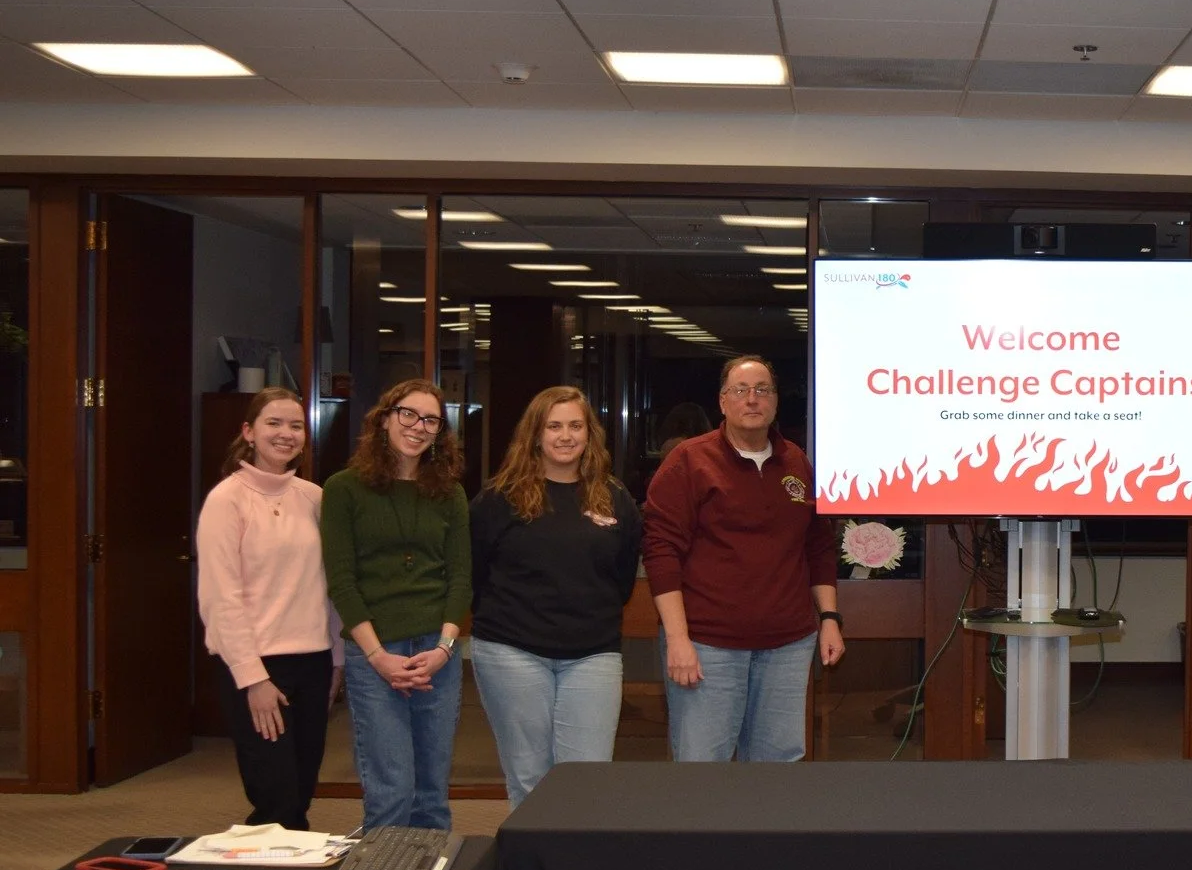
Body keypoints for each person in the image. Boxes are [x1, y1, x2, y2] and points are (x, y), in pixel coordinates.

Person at [642, 355, 843, 762]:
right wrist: (677, 640)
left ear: (774, 402)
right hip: (707, 646)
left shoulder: (798, 463)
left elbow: (818, 546)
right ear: (722, 401)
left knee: (778, 768)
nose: (752, 399)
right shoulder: (689, 461)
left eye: (762, 390)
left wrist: (830, 620)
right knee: (703, 769)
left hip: (787, 646)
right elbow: (661, 553)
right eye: (740, 390)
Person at [469, 386, 643, 806]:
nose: (565, 436)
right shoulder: (497, 499)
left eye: (575, 426)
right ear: (535, 434)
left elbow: (622, 578)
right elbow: (475, 572)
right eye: (554, 426)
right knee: (529, 779)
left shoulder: (615, 497)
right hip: (512, 652)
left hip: (593, 655)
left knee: (587, 779)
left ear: (590, 434)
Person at [321, 378, 472, 829]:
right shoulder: (343, 489)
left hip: (436, 650)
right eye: (408, 414)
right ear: (385, 417)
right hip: (375, 651)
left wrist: (445, 648)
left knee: (431, 788)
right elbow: (342, 582)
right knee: (392, 786)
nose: (418, 426)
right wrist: (377, 656)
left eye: (431, 420)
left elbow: (461, 578)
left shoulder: (450, 493)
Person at [195, 387, 340, 830]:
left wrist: (335, 662)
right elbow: (221, 598)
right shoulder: (227, 500)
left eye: (296, 425)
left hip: (314, 663)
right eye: (273, 423)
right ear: (249, 432)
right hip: (258, 668)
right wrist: (253, 678)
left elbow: (330, 586)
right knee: (274, 795)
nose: (286, 433)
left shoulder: (315, 497)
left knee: (300, 790)